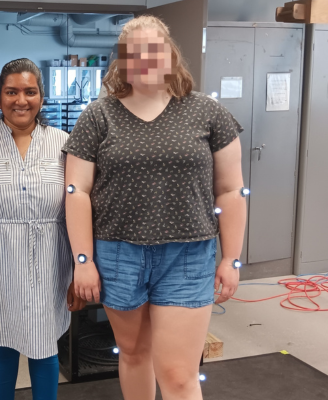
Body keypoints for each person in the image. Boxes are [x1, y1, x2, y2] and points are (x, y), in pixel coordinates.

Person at [63, 15, 246, 400]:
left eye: (154, 49)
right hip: (116, 253)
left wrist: (231, 258)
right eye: (135, 52)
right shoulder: (98, 116)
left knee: (178, 373)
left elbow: (231, 190)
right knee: (132, 354)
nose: (145, 59)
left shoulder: (208, 114)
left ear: (170, 55)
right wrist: (84, 260)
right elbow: (76, 190)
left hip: (187, 254)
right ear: (123, 61)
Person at [0, 58, 85, 400]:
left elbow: (78, 215)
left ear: (41, 98)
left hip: (52, 263)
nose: (20, 100)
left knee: (45, 347)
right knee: (2, 349)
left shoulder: (63, 144)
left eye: (30, 91)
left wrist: (78, 274)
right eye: (11, 92)